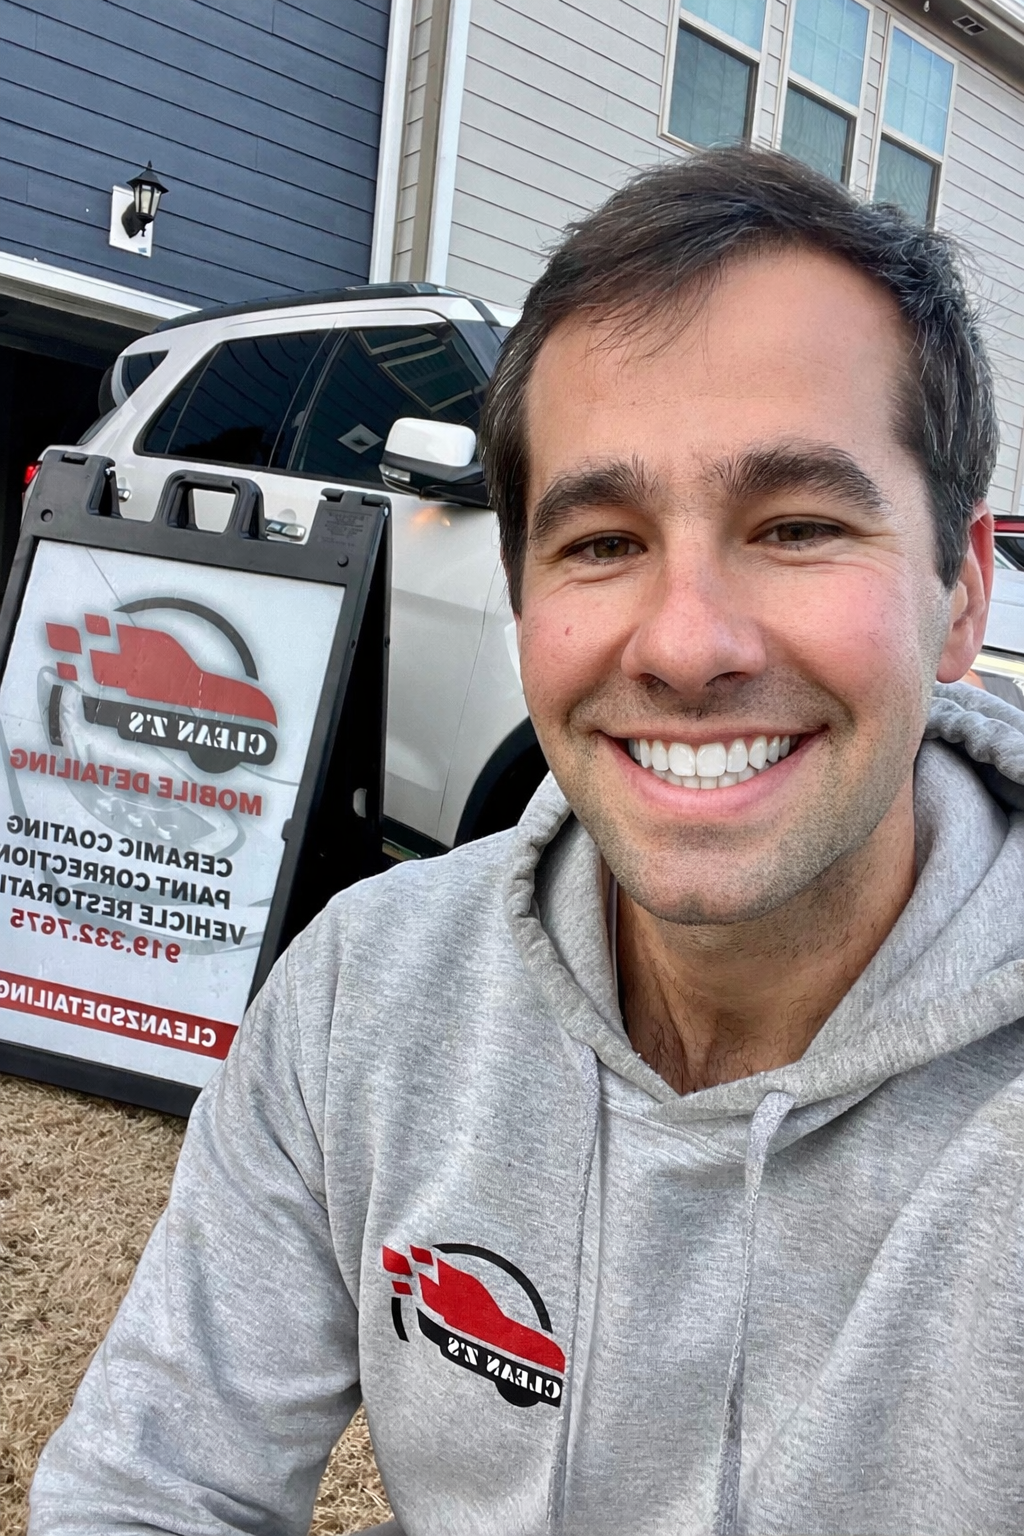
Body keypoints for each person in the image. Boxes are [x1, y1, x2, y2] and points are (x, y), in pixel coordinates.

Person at [30, 147, 1024, 1536]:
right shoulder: (365, 997)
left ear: (963, 588)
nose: (686, 646)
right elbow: (151, 1489)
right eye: (602, 541)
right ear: (520, 595)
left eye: (795, 526)